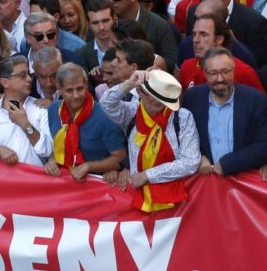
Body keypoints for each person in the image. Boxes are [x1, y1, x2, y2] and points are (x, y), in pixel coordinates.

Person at [100, 70, 201, 212]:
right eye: (150, 94)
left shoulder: (183, 117)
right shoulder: (131, 113)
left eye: (160, 96)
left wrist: (147, 175)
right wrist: (129, 83)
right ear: (139, 92)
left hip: (177, 200)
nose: (155, 99)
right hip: (138, 198)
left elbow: (191, 162)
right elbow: (106, 103)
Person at [181, 48, 267, 176]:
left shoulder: (255, 100)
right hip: (206, 183)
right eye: (213, 73)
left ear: (233, 71)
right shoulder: (192, 98)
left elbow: (264, 144)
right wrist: (198, 157)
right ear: (205, 73)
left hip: (243, 181)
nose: (219, 79)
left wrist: (228, 164)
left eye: (225, 72)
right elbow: (181, 138)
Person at [43, 63, 128, 179]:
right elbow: (59, 143)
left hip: (96, 186)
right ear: (59, 89)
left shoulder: (104, 116)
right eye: (69, 90)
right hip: (64, 182)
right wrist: (53, 159)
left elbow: (121, 158)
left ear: (86, 85)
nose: (76, 95)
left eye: (80, 88)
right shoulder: (53, 110)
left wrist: (88, 166)